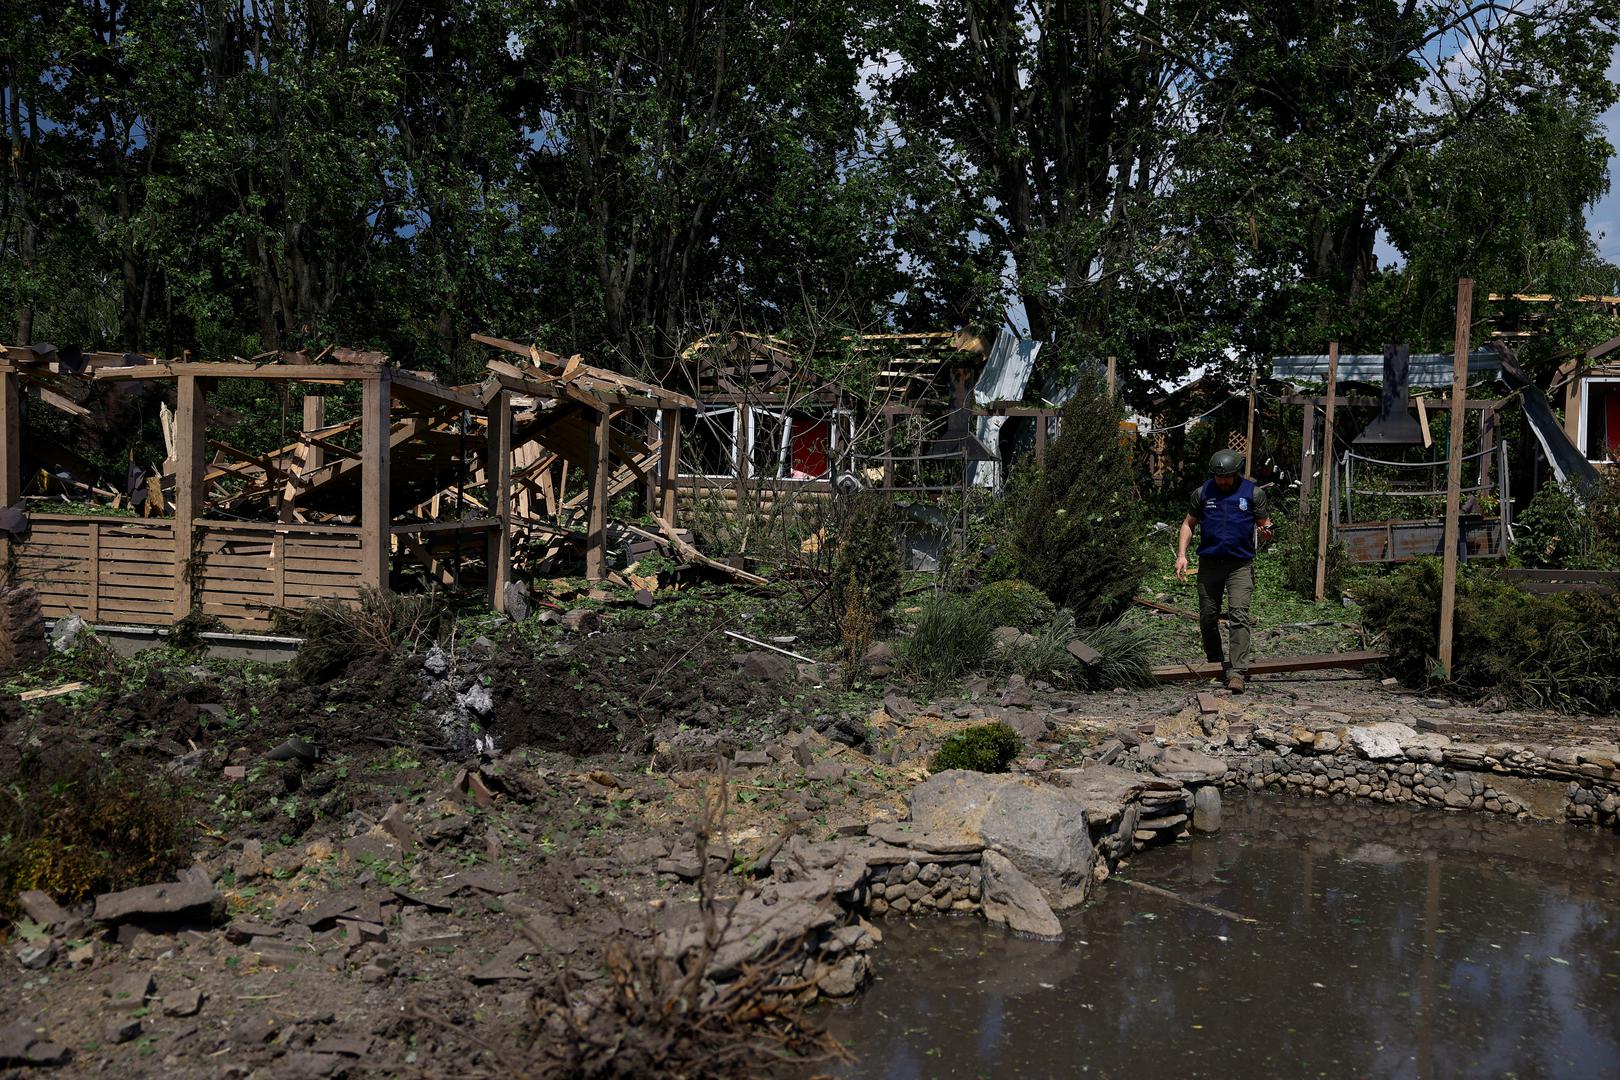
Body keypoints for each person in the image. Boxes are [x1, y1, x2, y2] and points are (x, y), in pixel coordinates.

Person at [1174, 449, 1273, 692]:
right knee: (1208, 616)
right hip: (1209, 564)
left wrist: (1267, 532)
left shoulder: (1253, 494)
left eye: (1227, 477)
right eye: (1219, 477)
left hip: (1239, 565)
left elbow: (1265, 525)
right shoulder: (1202, 493)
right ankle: (1215, 661)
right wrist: (1182, 555)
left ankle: (1237, 672)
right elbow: (1188, 524)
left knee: (1238, 614)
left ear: (1236, 473)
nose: (1223, 481)